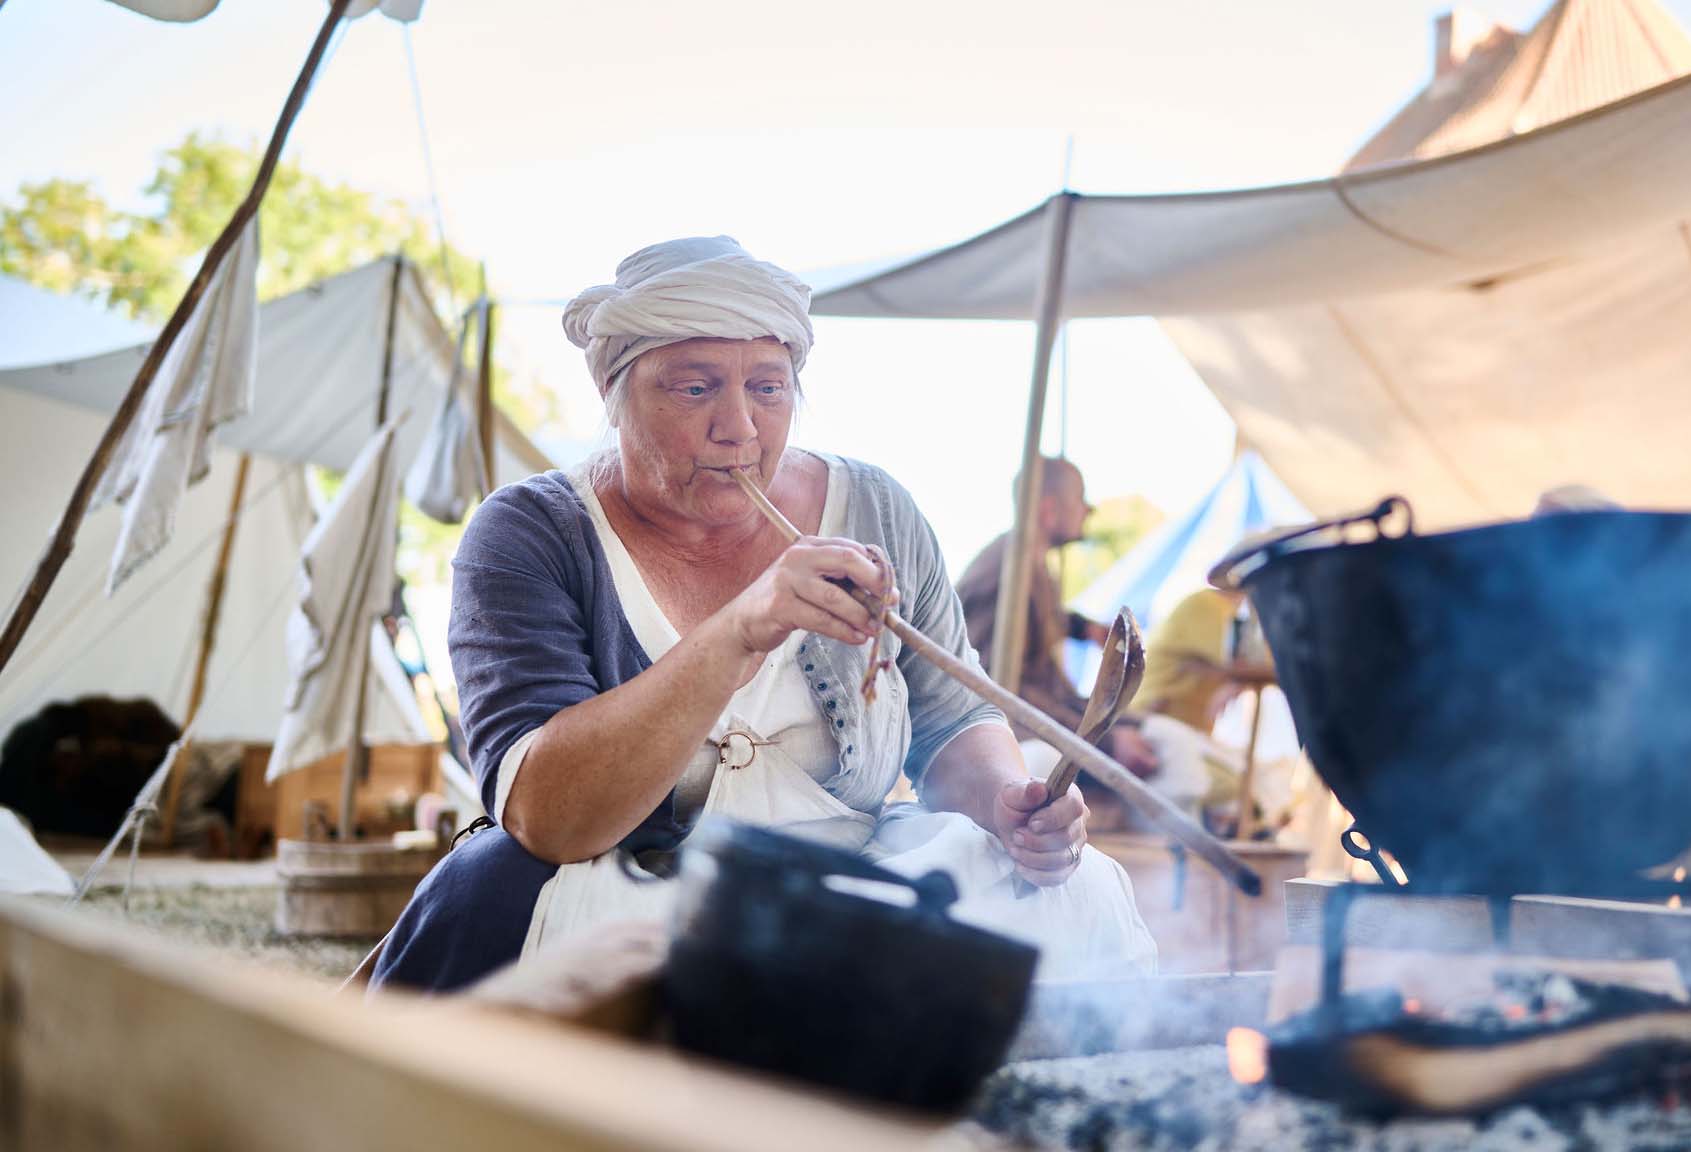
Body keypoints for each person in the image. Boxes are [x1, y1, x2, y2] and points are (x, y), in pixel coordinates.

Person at [370, 238, 1154, 991]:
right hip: (637, 881)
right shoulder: (531, 535)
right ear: (614, 394)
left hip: (862, 871)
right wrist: (741, 628)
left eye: (768, 387)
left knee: (1068, 892)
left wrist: (1009, 803)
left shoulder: (876, 508)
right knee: (502, 893)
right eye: (695, 386)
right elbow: (549, 818)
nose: (739, 427)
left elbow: (952, 720)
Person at [955, 458, 1160, 780]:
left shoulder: (1029, 564)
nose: (1088, 510)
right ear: (1049, 510)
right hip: (1010, 738)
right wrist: (1105, 741)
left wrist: (1084, 628)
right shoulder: (1005, 575)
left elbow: (1043, 620)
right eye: (1079, 499)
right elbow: (999, 690)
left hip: (1047, 717)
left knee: (1160, 733)